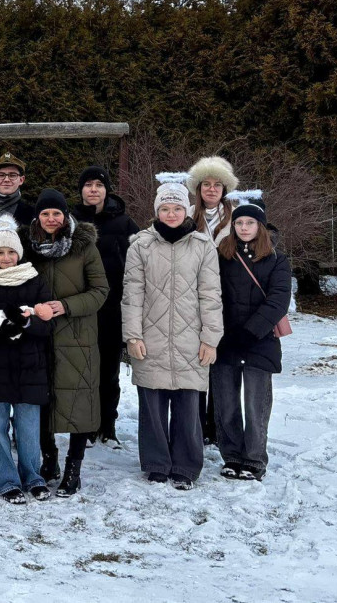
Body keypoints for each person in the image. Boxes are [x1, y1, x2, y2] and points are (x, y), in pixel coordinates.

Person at [122, 179, 223, 491]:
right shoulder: (140, 245)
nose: (170, 213)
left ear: (187, 210)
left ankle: (185, 465)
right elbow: (132, 294)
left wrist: (211, 338)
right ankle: (156, 463)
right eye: (164, 208)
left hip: (190, 339)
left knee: (187, 405)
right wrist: (132, 335)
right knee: (152, 403)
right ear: (157, 211)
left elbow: (211, 295)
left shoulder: (203, 246)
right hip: (149, 336)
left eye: (177, 208)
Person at [19, 189, 108, 497]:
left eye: (57, 213)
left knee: (80, 402)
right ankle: (49, 458)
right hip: (39, 337)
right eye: (45, 214)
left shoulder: (85, 247)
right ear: (38, 218)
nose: (51, 219)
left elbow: (100, 290)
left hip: (77, 337)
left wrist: (64, 306)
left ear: (65, 216)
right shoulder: (28, 247)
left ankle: (74, 466)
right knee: (41, 399)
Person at [0, 215, 55, 503]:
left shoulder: (34, 280)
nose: (6, 258)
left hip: (30, 364)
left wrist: (27, 324)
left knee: (28, 426)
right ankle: (7, 479)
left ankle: (33, 476)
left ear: (19, 253)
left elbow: (47, 322)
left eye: (10, 252)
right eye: (0, 253)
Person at [213, 194, 290, 481]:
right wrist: (223, 331)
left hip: (260, 340)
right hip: (225, 338)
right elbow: (212, 294)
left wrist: (250, 332)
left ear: (261, 226)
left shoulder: (277, 260)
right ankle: (232, 455)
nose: (244, 227)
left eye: (250, 222)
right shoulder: (222, 256)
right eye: (239, 222)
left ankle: (255, 459)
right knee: (226, 402)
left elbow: (278, 300)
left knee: (256, 403)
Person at [72, 166, 140, 445]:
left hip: (112, 307)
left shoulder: (124, 223)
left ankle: (107, 425)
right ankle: (86, 425)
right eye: (88, 185)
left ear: (106, 190)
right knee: (82, 370)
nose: (93, 190)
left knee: (109, 371)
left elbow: (138, 261)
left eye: (98, 185)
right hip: (80, 306)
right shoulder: (71, 221)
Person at [187, 156, 240, 444]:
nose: (211, 189)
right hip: (194, 300)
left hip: (229, 299)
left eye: (216, 184)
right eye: (205, 184)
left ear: (224, 189)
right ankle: (195, 424)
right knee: (198, 362)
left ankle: (216, 425)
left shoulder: (239, 217)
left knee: (220, 366)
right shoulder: (186, 217)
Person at [0, 153, 35, 226]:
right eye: (1, 175)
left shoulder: (32, 213)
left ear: (21, 180)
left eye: (12, 175)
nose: (6, 179)